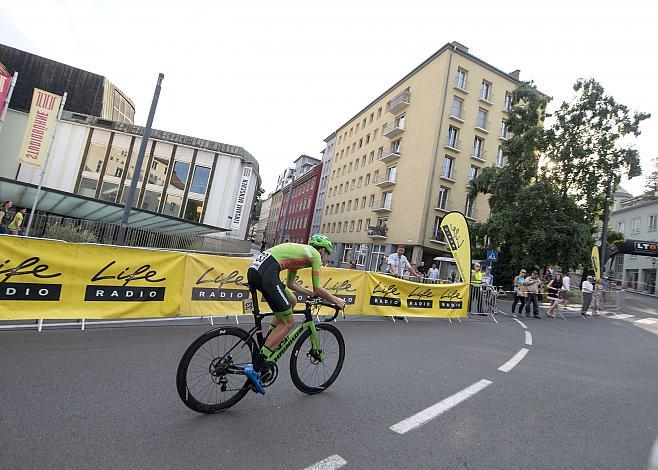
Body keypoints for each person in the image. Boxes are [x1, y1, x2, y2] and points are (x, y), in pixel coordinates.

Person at [243, 234, 347, 395]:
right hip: (267, 272)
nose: (327, 259)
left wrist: (310, 294)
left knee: (291, 300)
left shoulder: (301, 252)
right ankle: (256, 365)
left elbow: (291, 284)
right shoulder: (315, 255)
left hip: (256, 270)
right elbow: (319, 289)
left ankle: (269, 337)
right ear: (322, 250)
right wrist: (336, 300)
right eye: (328, 254)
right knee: (289, 323)